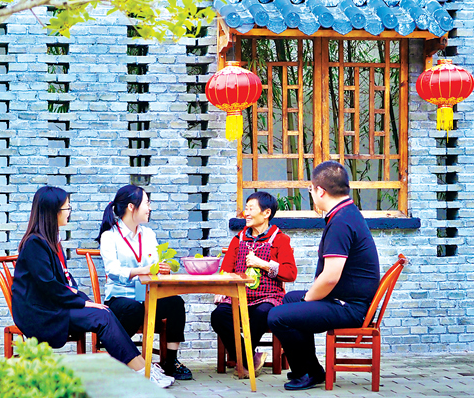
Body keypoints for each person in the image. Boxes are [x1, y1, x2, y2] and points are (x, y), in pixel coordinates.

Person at [11, 186, 174, 388]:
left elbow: (64, 283)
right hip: (41, 313)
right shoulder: (35, 244)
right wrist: (83, 303)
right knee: (102, 316)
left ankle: (142, 368)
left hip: (55, 306)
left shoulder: (51, 241)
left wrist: (84, 301)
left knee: (104, 312)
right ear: (52, 211)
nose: (69, 212)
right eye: (67, 208)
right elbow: (49, 286)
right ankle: (142, 371)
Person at [267, 161, 380, 391]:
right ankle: (311, 369)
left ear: (320, 191)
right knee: (289, 299)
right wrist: (306, 298)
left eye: (311, 189)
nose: (311, 194)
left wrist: (308, 298)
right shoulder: (347, 213)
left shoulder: (341, 222)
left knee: (277, 316)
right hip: (346, 300)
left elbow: (330, 277)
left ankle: (307, 373)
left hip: (350, 307)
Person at [96, 185, 192, 380]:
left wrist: (161, 269)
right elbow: (112, 271)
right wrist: (142, 270)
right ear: (132, 207)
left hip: (148, 296)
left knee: (175, 303)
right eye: (147, 203)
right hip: (120, 299)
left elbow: (154, 266)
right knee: (134, 309)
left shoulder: (148, 234)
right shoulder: (110, 236)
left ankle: (170, 362)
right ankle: (126, 359)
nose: (150, 208)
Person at [211, 191, 297, 378]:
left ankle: (243, 360)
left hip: (268, 297)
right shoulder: (238, 240)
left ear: (266, 213)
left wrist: (263, 264)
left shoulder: (280, 240)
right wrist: (220, 288)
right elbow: (226, 269)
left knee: (263, 313)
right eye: (246, 209)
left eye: (251, 209)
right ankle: (249, 358)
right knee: (218, 316)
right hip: (239, 296)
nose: (246, 213)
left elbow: (291, 273)